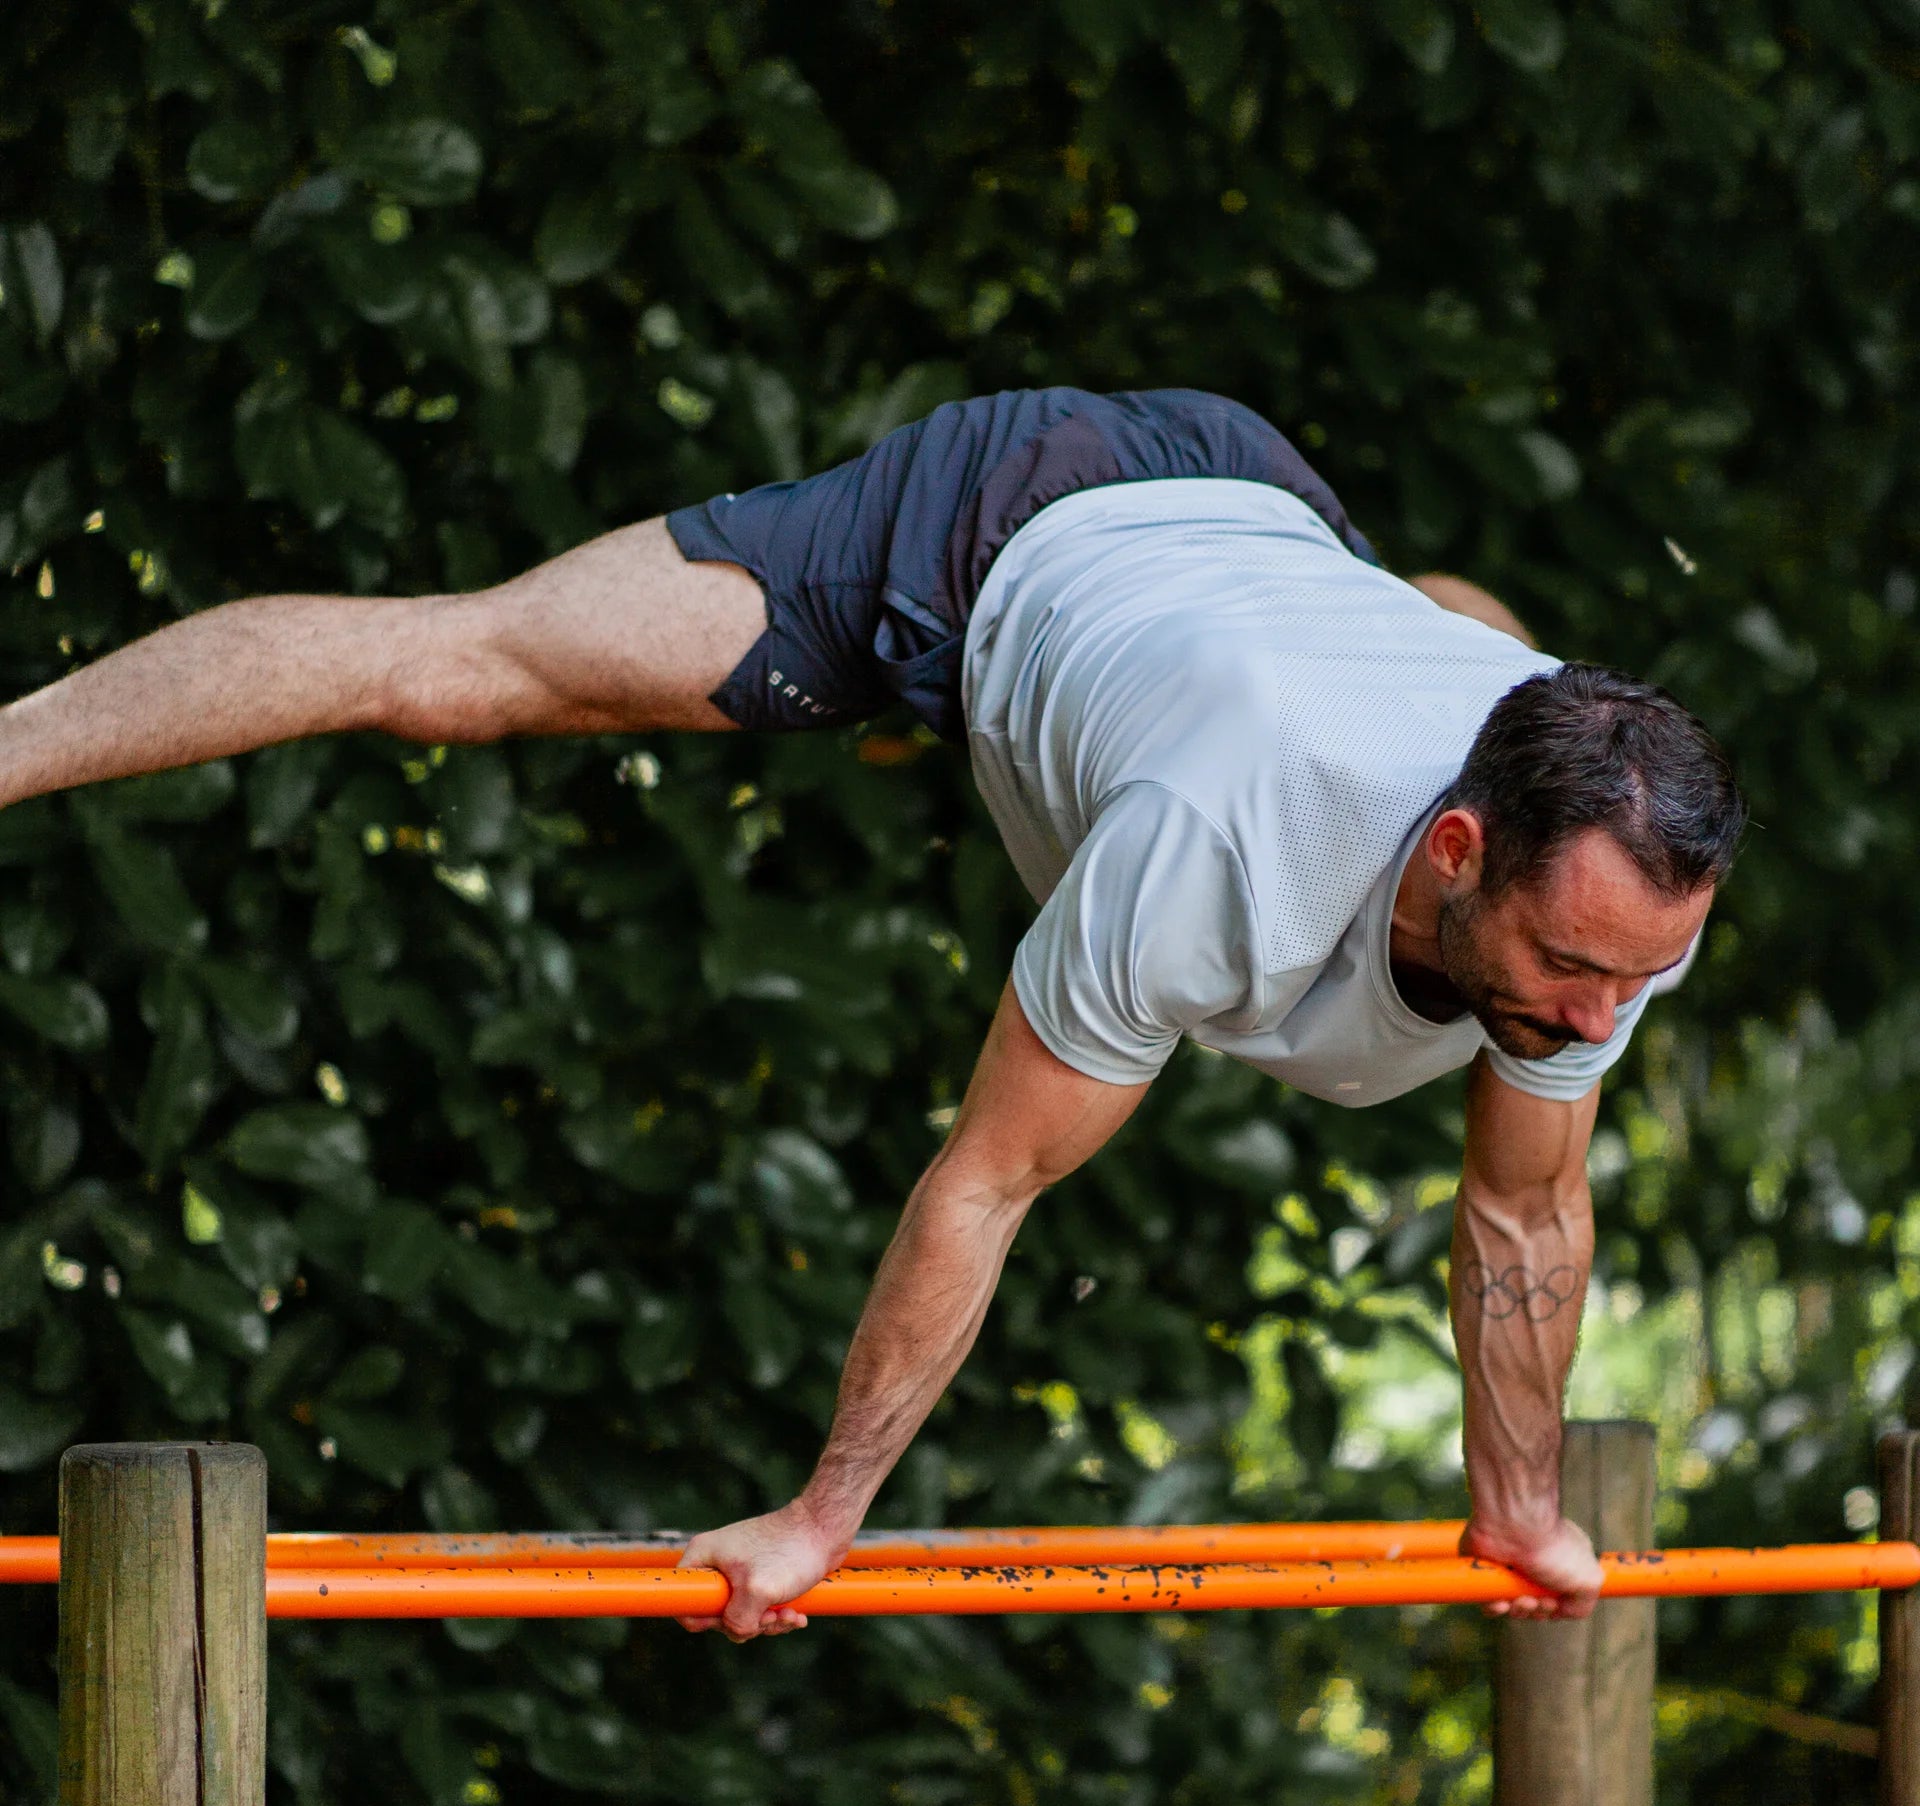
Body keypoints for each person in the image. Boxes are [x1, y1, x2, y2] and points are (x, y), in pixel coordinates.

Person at [0, 387, 1741, 1637]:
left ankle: (1425, 624)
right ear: (1455, 851)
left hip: (1268, 521)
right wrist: (821, 1519)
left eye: (1633, 977)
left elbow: (1527, 1203)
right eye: (1572, 971)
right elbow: (987, 1185)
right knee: (457, 668)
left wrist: (1520, 1513)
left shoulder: (1607, 901)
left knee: (1482, 660)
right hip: (1005, 530)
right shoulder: (1215, 847)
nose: (1596, 1011)